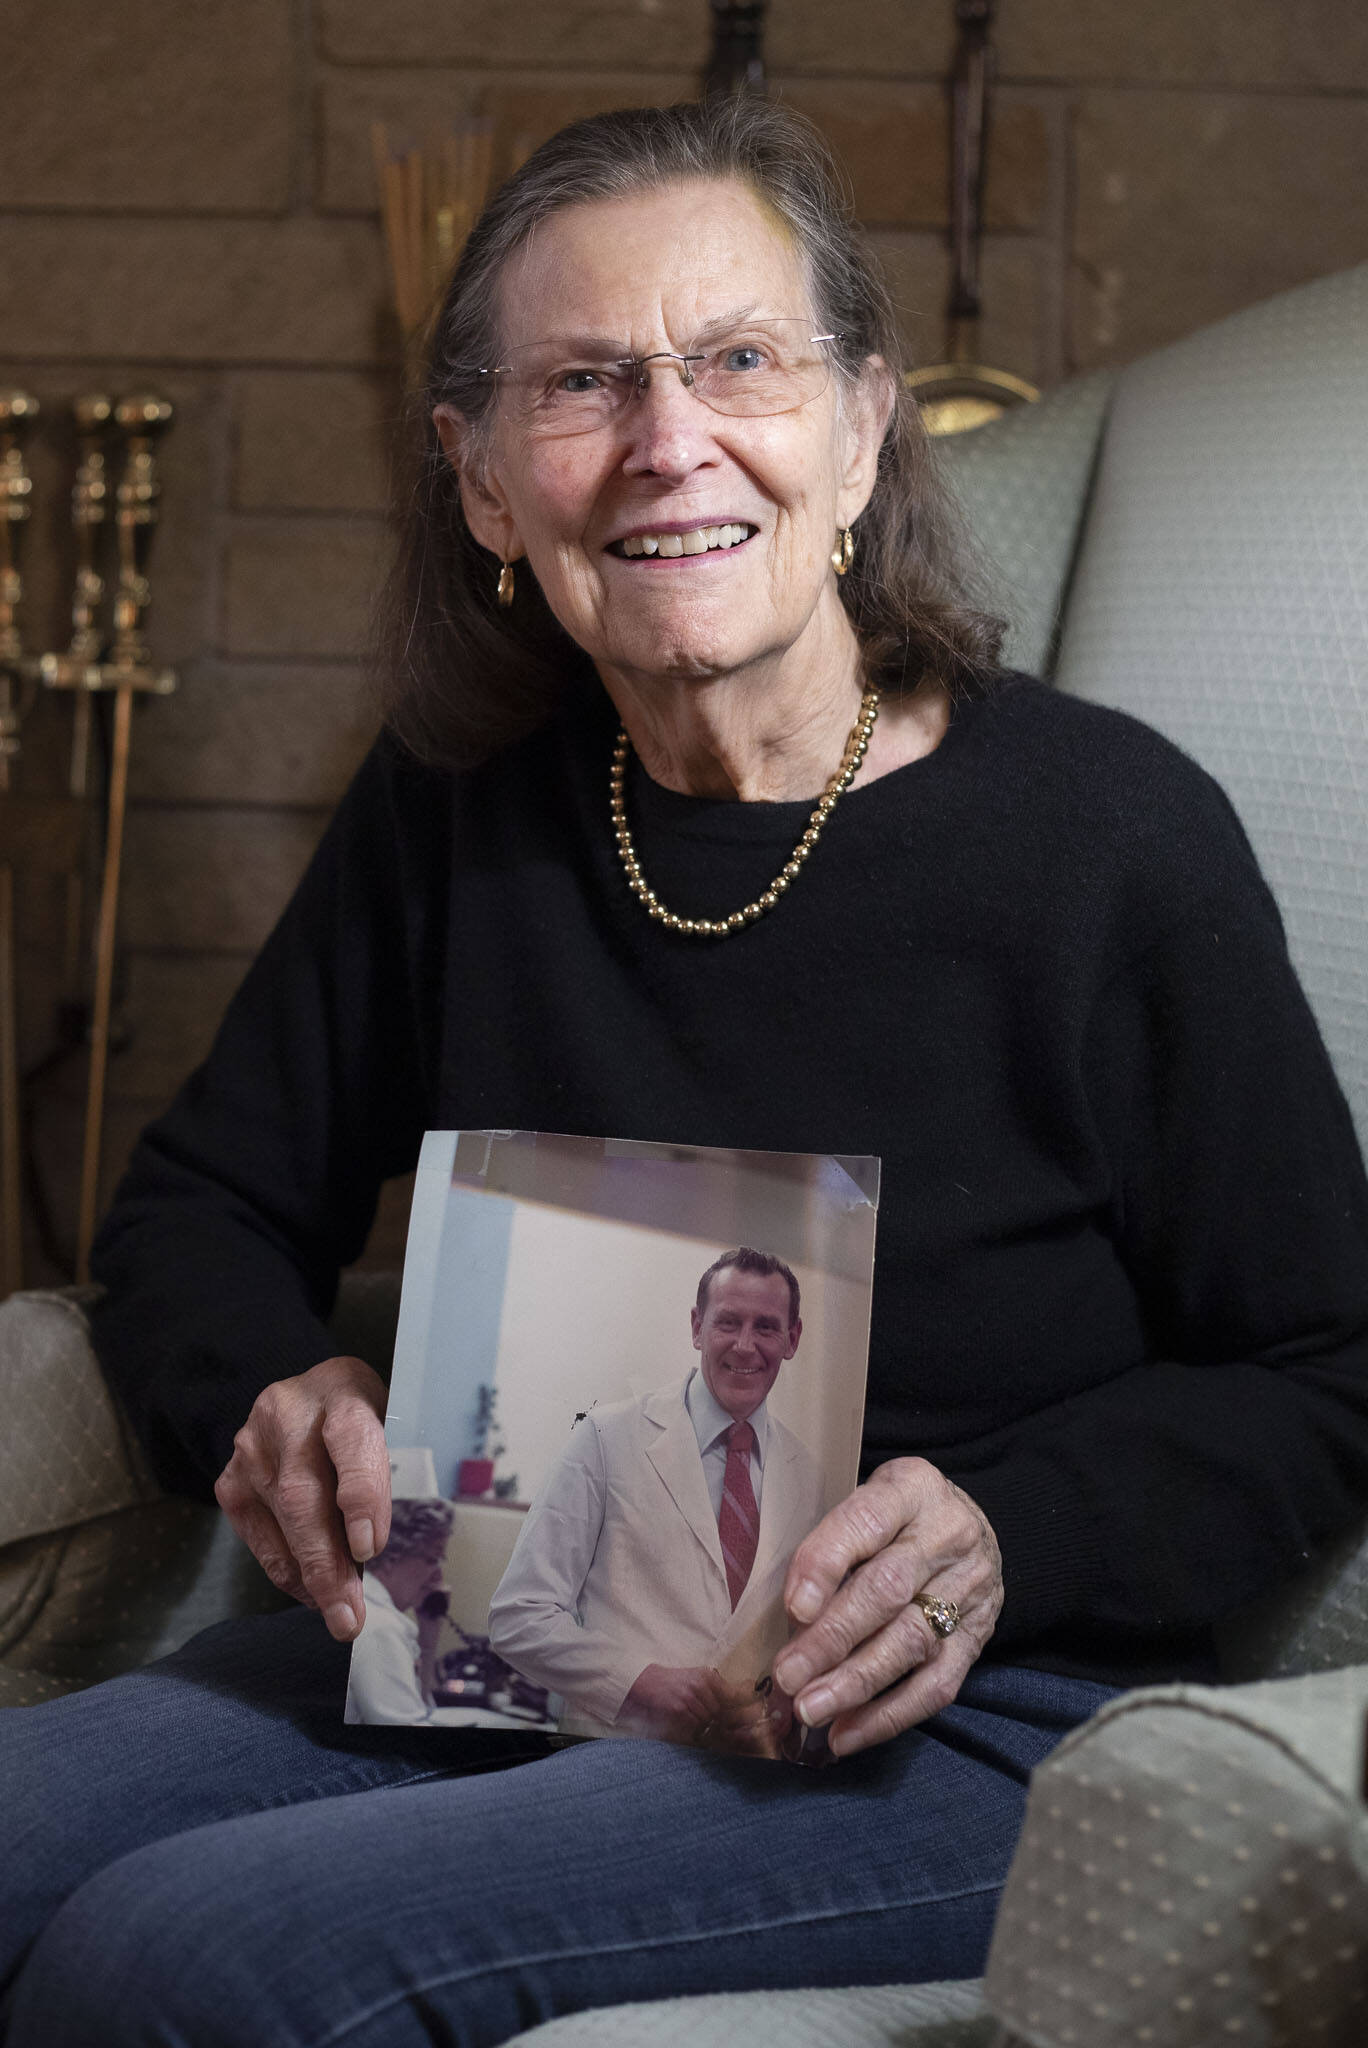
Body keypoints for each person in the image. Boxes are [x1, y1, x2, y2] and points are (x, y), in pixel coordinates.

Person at [3, 95, 1367, 2048]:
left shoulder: (1112, 841)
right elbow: (199, 1212)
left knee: (187, 1957)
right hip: (487, 1634)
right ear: (482, 481)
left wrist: (1004, 1535)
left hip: (944, 1711)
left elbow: (1326, 1364)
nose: (668, 441)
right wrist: (276, 1387)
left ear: (861, 427)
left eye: (739, 361)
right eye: (584, 381)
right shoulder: (454, 812)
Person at [487, 1247, 826, 1748]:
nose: (745, 1345)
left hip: (746, 1770)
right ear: (697, 1327)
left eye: (767, 1327)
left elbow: (805, 1638)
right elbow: (518, 1616)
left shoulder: (810, 1478)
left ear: (792, 1339)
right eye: (728, 1322)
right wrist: (639, 1681)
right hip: (612, 1752)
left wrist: (781, 1706)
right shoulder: (606, 1437)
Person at [344, 1497, 453, 1725]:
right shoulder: (379, 1628)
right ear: (391, 1556)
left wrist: (429, 1638)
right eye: (432, 1559)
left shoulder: (365, 1607)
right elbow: (410, 1736)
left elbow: (419, 1710)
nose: (438, 1576)